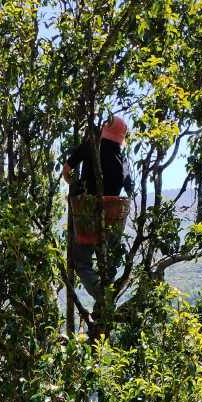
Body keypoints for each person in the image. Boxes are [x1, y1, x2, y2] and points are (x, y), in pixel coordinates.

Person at [62, 116, 132, 301]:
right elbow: (130, 189)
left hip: (87, 218)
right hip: (111, 224)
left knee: (81, 262)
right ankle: (107, 290)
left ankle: (100, 294)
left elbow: (66, 171)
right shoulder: (123, 161)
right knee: (114, 256)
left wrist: (75, 184)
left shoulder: (90, 147)